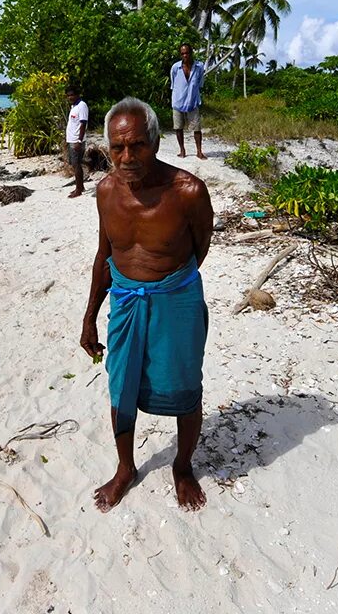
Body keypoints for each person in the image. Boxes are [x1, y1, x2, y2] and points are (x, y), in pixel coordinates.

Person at [79, 97, 214, 513]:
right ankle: (125, 469)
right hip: (124, 301)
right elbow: (105, 254)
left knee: (186, 386)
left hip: (176, 300)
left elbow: (199, 249)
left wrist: (164, 285)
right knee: (120, 386)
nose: (127, 156)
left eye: (136, 145)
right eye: (117, 148)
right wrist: (89, 318)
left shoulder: (188, 191)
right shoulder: (104, 191)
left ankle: (183, 466)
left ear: (154, 143)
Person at [170, 43, 207, 160]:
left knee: (197, 128)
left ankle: (199, 151)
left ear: (191, 53)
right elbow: (173, 83)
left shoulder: (199, 67)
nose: (185, 55)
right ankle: (182, 150)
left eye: (187, 53)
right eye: (182, 53)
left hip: (193, 101)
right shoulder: (175, 68)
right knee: (178, 127)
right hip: (178, 101)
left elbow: (200, 83)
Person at [65, 86, 89, 198]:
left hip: (76, 140)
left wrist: (79, 140)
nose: (70, 97)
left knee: (76, 164)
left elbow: (83, 123)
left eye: (72, 95)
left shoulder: (82, 106)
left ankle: (78, 189)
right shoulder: (73, 106)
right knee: (75, 164)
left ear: (77, 95)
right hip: (71, 140)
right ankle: (81, 186)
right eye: (68, 95)